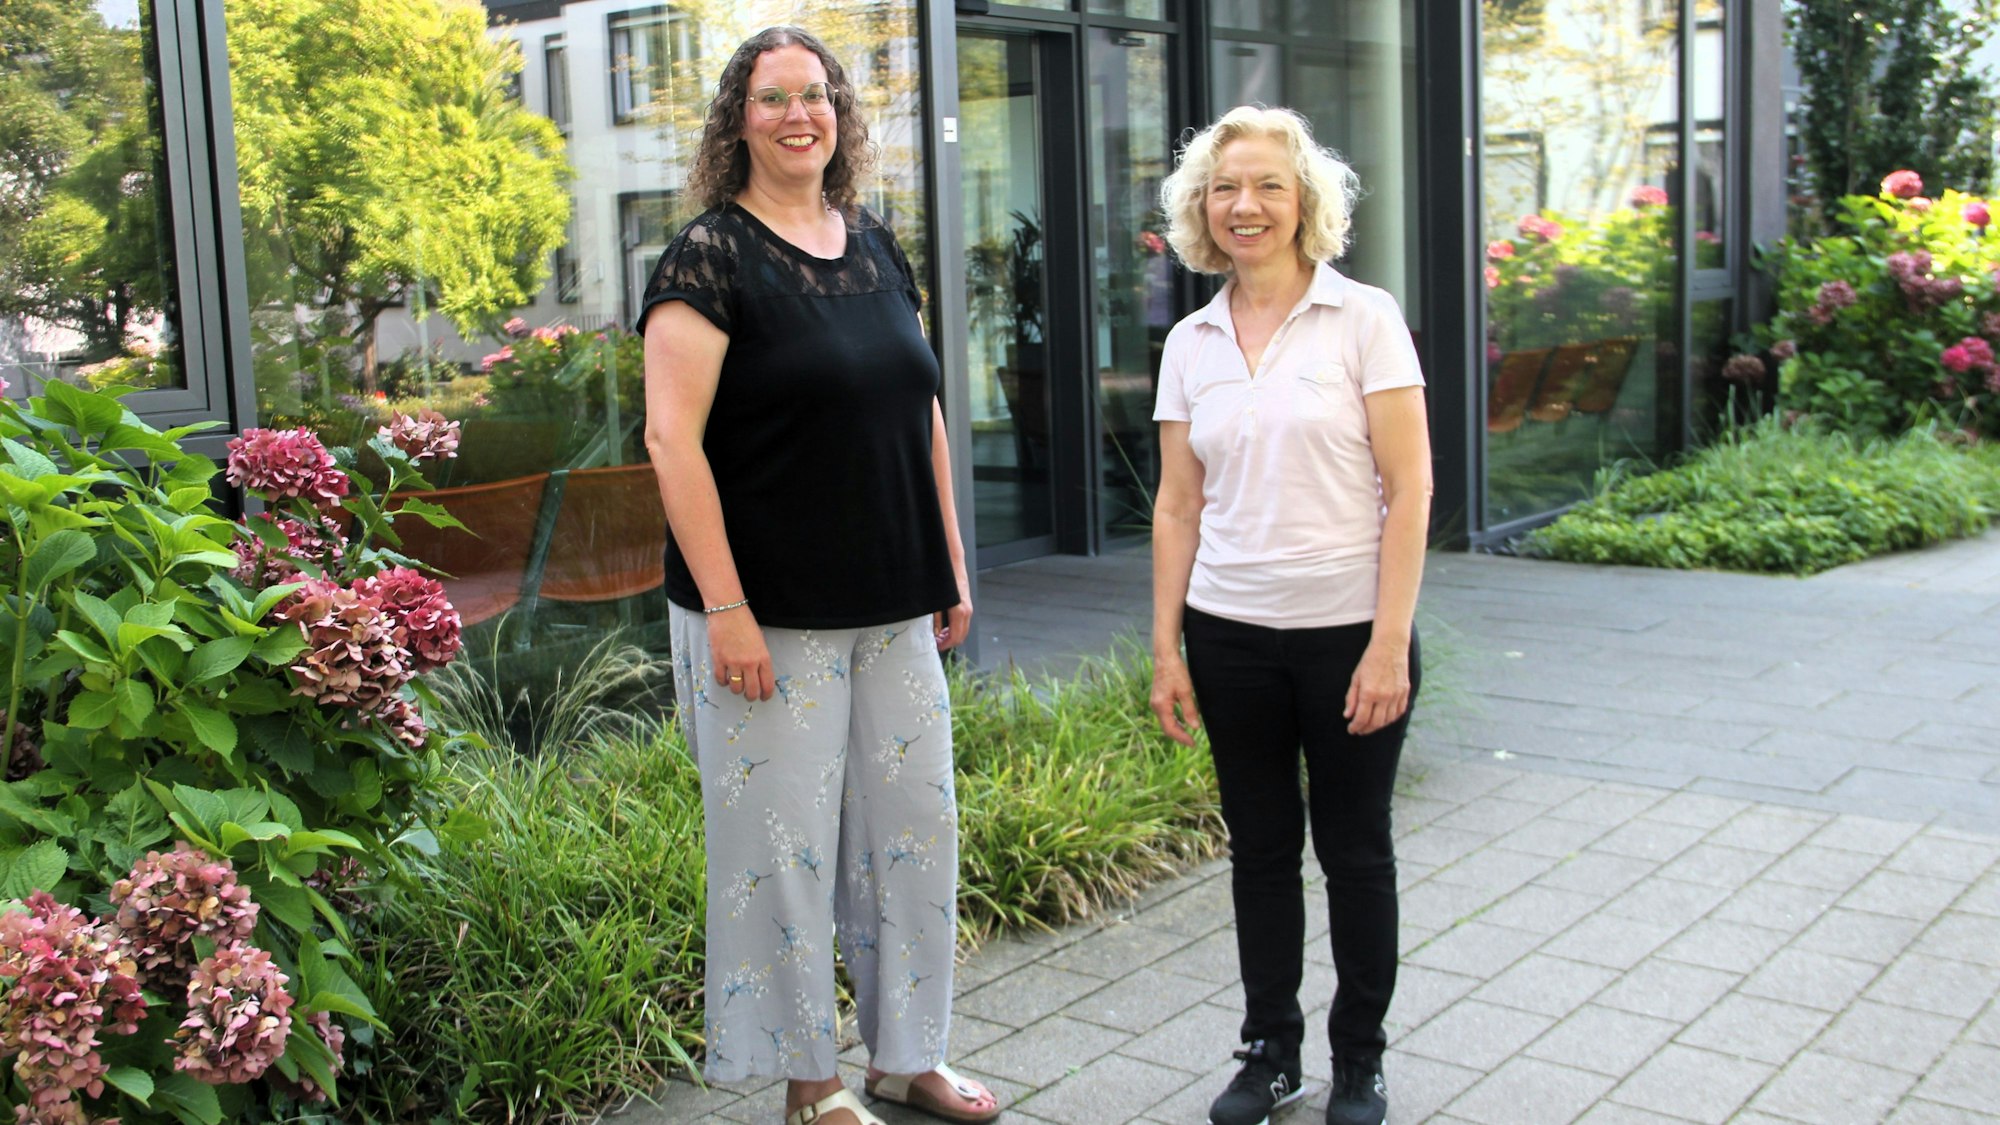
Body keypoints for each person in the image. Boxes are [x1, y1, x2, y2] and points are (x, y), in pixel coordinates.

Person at [638, 27, 1000, 1125]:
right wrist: (728, 611)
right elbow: (669, 442)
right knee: (781, 853)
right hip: (769, 615)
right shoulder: (708, 257)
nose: (798, 113)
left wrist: (948, 559)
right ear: (736, 120)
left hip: (892, 602)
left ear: (837, 113)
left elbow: (920, 414)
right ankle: (810, 1082)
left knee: (913, 832)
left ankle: (907, 1054)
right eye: (771, 96)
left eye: (815, 94)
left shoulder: (877, 247)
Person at [1147, 105, 1431, 1125]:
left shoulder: (1363, 320)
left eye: (1267, 185)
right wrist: (1165, 648)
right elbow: (1177, 504)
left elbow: (1410, 489)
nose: (1244, 205)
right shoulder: (1189, 340)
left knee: (1353, 852)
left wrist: (1388, 643)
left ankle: (1358, 1058)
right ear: (1200, 208)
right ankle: (1268, 1050)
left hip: (1350, 633)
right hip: (1229, 638)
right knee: (1258, 848)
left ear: (1303, 199)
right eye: (1225, 188)